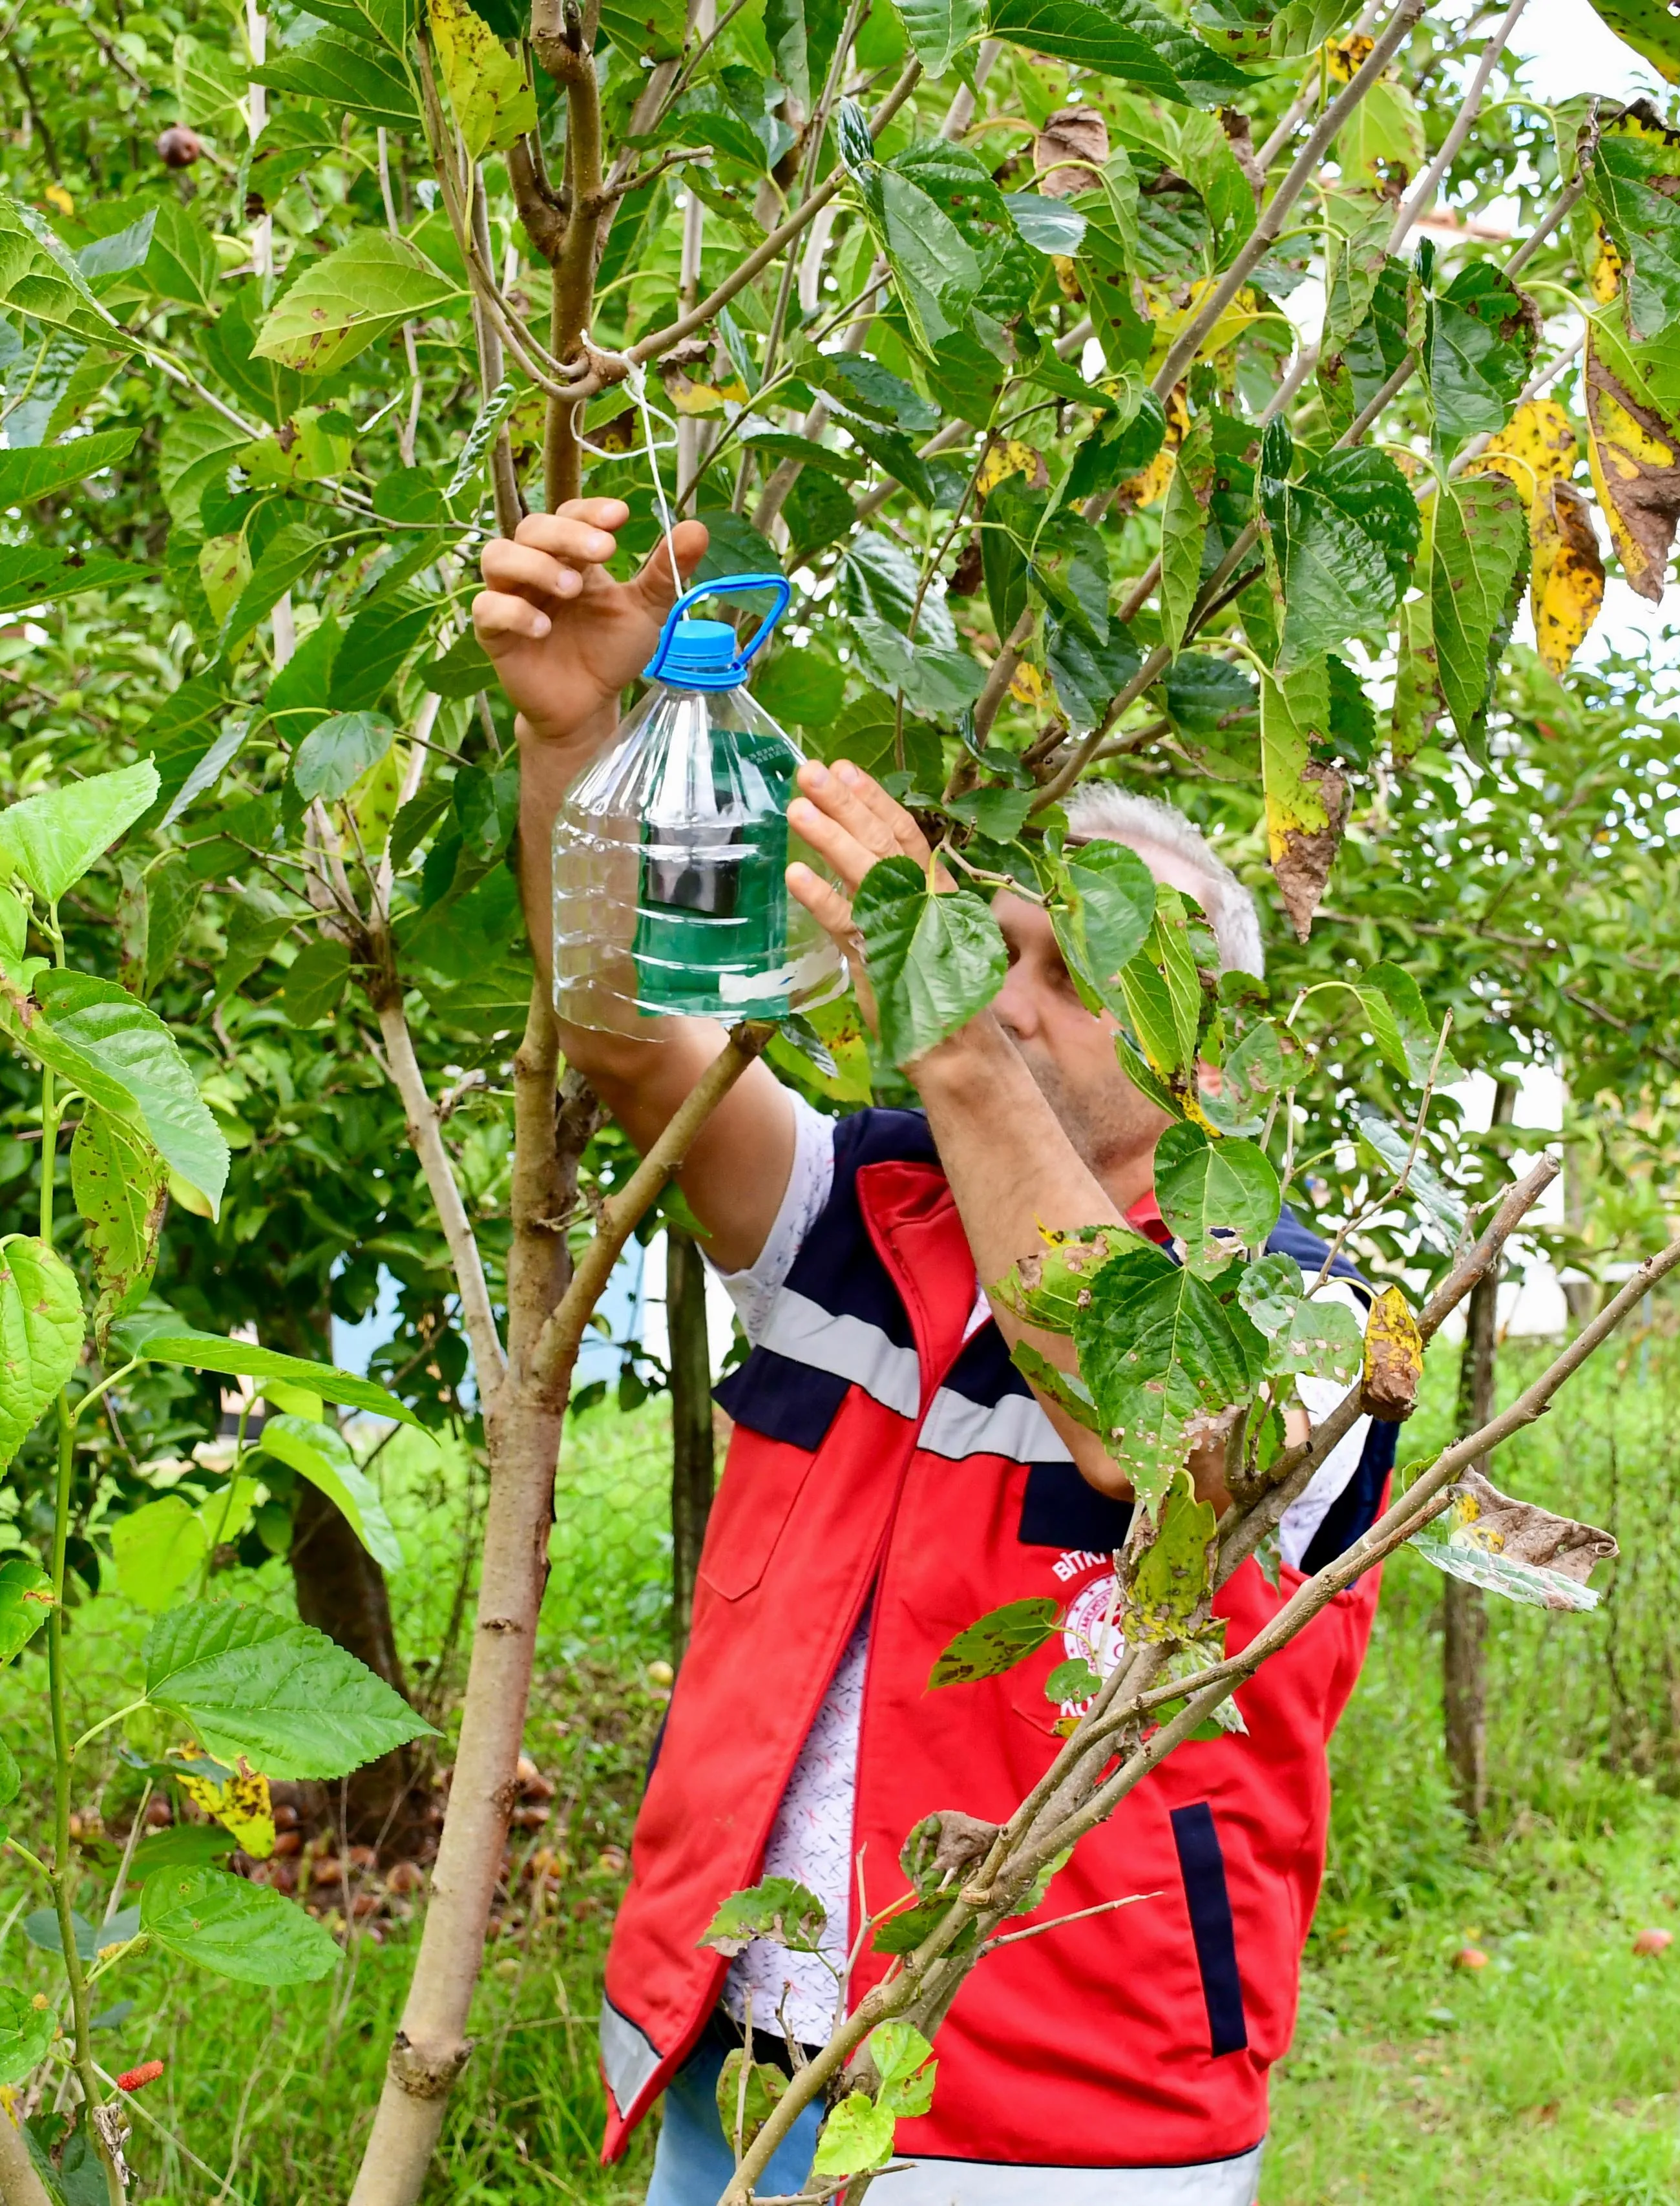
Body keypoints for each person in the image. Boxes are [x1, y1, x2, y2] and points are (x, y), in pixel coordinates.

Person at [474, 498, 1399, 2205]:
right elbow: (625, 1039)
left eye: (1074, 970)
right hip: (746, 2073)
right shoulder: (861, 1205)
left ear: (1205, 1051)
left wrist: (950, 1033)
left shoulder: (1303, 1313)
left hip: (1054, 2128)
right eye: (997, 942)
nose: (1011, 998)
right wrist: (578, 744)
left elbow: (1140, 1427)